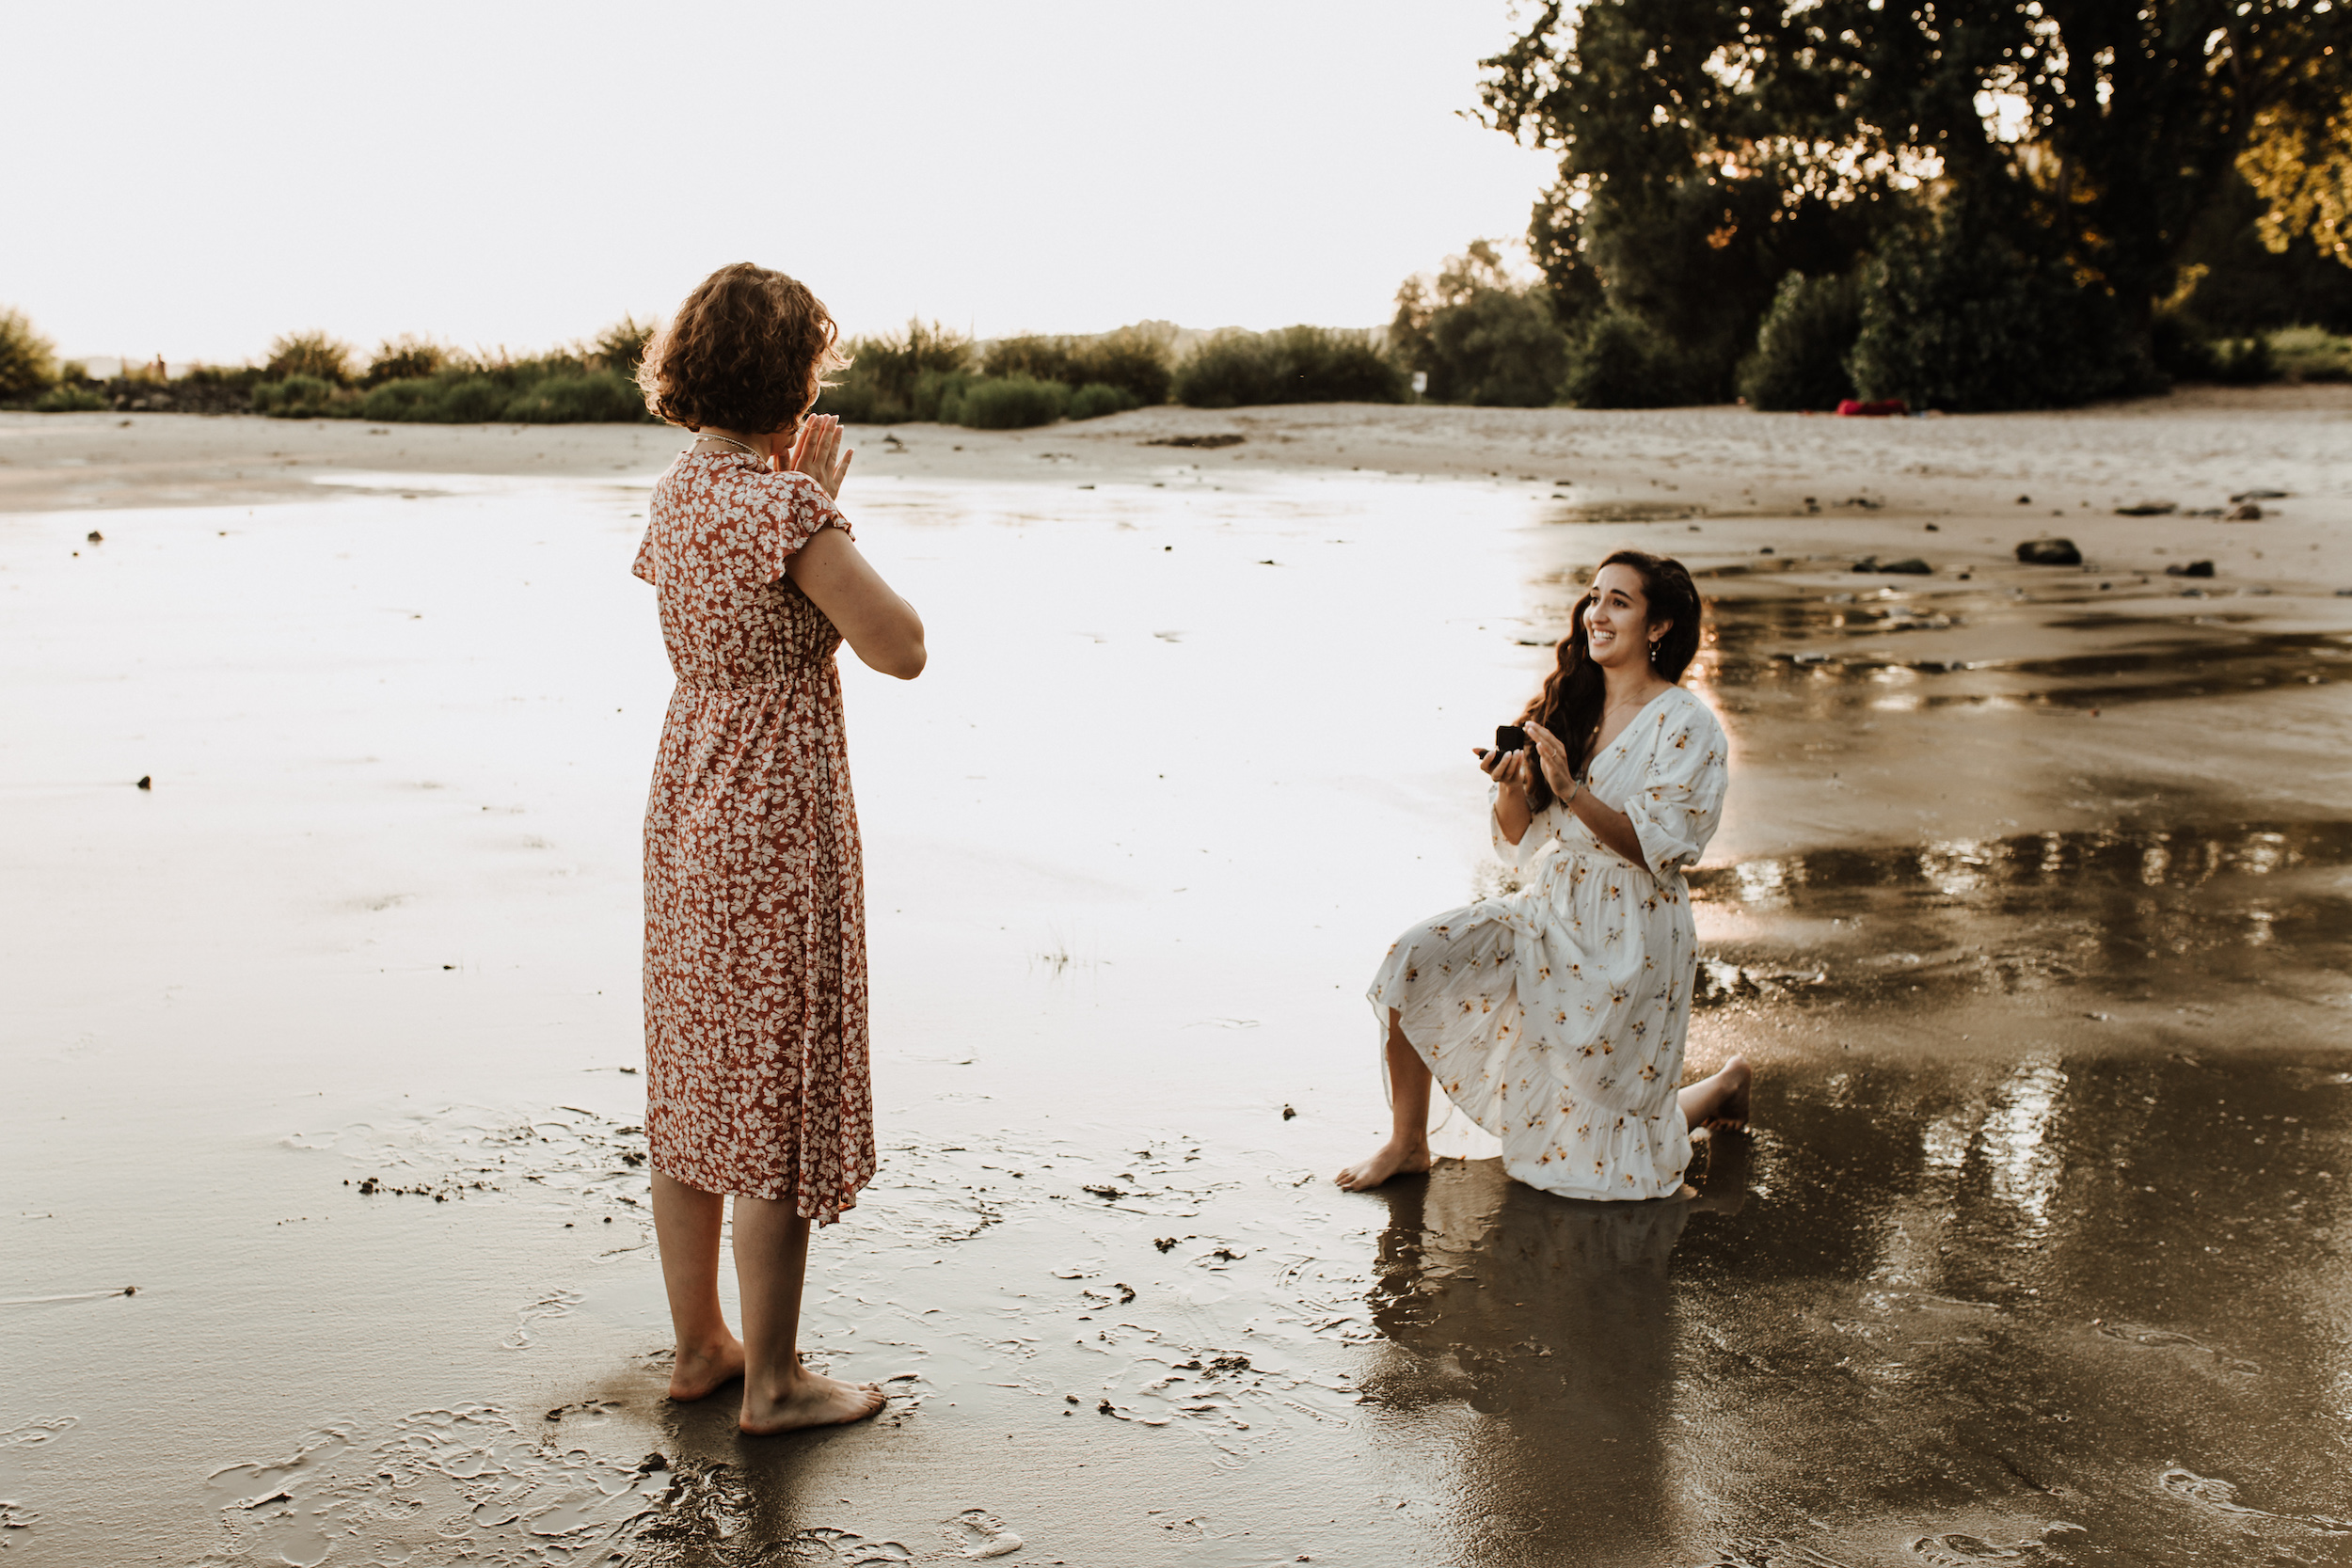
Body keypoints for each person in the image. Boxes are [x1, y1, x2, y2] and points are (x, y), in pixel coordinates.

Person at [629, 262, 926, 1433]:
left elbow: (730, 604)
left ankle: (702, 1341)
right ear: (794, 376)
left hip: (687, 795)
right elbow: (900, 645)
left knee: (698, 1071)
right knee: (774, 1091)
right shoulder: (787, 507)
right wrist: (820, 504)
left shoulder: (676, 493)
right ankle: (775, 1379)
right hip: (775, 812)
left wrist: (790, 492)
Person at [1338, 549, 1749, 1201]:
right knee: (1414, 957)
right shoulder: (1571, 703)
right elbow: (1518, 835)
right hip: (1550, 907)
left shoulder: (1688, 723)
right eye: (1593, 597)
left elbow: (1657, 849)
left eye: (1619, 600)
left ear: (1659, 626)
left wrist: (1569, 786)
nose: (1598, 613)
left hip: (1634, 931)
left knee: (1605, 1150)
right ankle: (1408, 1141)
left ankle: (1726, 1083)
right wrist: (1513, 786)